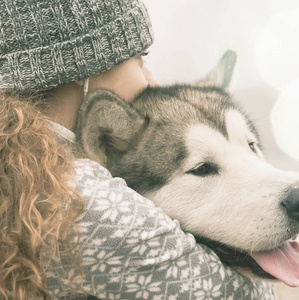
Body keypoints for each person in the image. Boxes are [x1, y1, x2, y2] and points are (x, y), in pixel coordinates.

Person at [0, 0, 277, 299]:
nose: (152, 80)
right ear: (85, 64)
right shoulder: (85, 203)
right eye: (140, 58)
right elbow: (248, 295)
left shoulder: (24, 176)